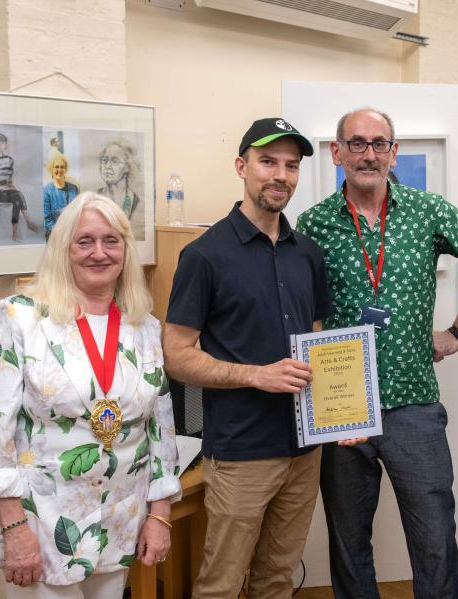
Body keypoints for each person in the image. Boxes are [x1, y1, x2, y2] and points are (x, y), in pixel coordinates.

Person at [296, 107, 458, 599]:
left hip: (414, 401)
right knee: (349, 542)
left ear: (394, 153)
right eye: (356, 143)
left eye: (378, 144)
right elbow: (304, 311)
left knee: (434, 537)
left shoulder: (426, 210)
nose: (368, 154)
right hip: (343, 410)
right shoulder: (313, 224)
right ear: (337, 152)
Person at [0, 192, 180, 597]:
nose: (99, 253)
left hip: (120, 520)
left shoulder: (145, 327)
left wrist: (161, 515)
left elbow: (161, 431)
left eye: (111, 241)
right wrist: (15, 530)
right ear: (63, 248)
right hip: (43, 525)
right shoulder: (19, 317)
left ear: (125, 251)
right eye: (85, 241)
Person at [163, 118, 341, 598]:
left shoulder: (309, 253)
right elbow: (177, 357)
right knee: (221, 584)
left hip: (305, 450)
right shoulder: (204, 255)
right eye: (267, 162)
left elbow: (318, 340)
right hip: (242, 452)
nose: (280, 175)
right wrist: (255, 375)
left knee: (277, 579)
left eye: (291, 165)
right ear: (242, 166)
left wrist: (341, 413)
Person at [0, 132, 40, 241]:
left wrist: (10, 186)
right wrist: (0, 187)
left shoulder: (10, 160)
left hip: (9, 191)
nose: (4, 145)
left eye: (5, 142)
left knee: (17, 197)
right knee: (17, 195)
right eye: (2, 143)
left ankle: (15, 233)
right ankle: (28, 222)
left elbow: (10, 179)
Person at [97, 139, 144, 241]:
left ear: (128, 167)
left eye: (115, 161)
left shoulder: (135, 200)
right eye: (104, 160)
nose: (107, 166)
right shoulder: (95, 199)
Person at [42, 152, 80, 240]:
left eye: (62, 167)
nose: (59, 170)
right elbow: (47, 219)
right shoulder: (47, 190)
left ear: (65, 170)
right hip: (54, 234)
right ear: (52, 169)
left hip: (71, 232)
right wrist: (60, 232)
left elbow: (77, 213)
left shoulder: (73, 188)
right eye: (56, 167)